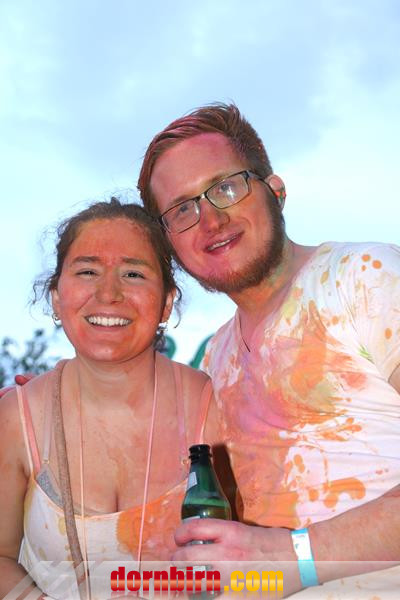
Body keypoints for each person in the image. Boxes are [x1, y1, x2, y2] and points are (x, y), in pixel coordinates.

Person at [137, 103, 400, 597]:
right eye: (182, 209)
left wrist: (294, 556)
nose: (211, 219)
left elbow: (276, 556)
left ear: (275, 191)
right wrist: (55, 399)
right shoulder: (216, 359)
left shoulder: (364, 278)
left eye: (226, 187)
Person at [0, 199, 220, 599]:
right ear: (56, 297)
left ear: (166, 303)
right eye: (87, 271)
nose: (108, 294)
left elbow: (255, 564)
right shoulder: (18, 418)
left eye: (133, 273)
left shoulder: (212, 409)